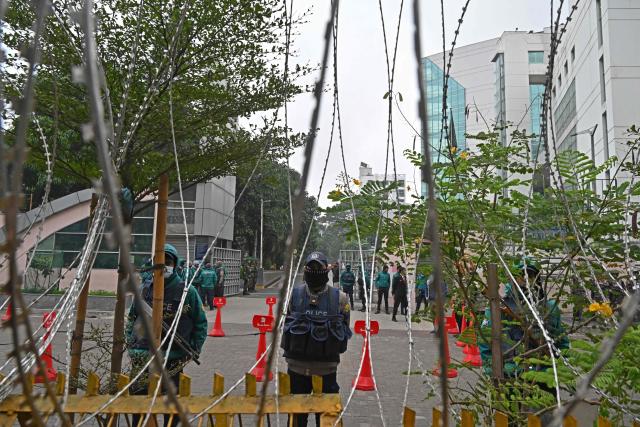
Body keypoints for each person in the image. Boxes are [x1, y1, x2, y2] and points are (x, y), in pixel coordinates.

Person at [126, 244, 207, 427]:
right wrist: (131, 344)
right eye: (159, 262)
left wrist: (193, 348)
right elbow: (132, 318)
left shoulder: (187, 292)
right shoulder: (144, 290)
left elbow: (200, 324)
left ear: (174, 263)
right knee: (139, 408)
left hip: (173, 358)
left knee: (172, 411)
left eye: (167, 261)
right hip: (142, 357)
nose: (163, 266)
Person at [282, 251, 352, 427]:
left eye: (318, 267)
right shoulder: (293, 296)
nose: (314, 270)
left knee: (326, 419)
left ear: (326, 269)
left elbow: (344, 331)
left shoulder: (341, 298)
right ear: (305, 269)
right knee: (297, 419)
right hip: (297, 369)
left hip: (326, 370)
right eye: (310, 267)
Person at [478, 258, 569, 380]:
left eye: (530, 275)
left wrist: (558, 369)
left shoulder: (549, 307)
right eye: (521, 275)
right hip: (510, 375)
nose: (526, 279)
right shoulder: (499, 306)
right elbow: (485, 342)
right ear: (512, 278)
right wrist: (495, 370)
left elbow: (561, 341)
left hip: (543, 375)